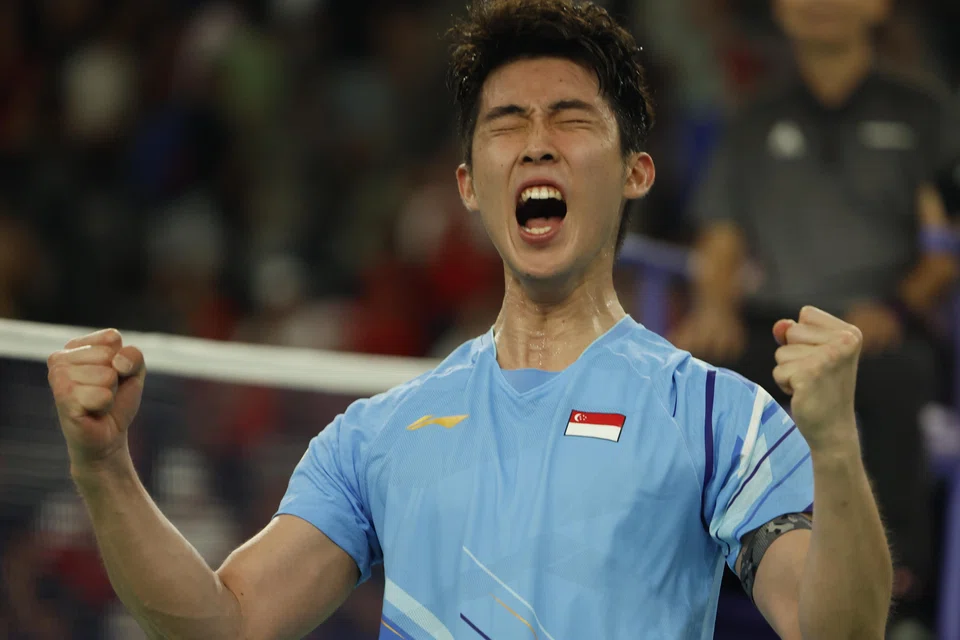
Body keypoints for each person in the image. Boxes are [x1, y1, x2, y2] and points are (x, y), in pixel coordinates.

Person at [45, 1, 893, 638]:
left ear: (636, 172)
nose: (536, 143)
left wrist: (838, 447)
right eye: (507, 123)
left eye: (570, 118)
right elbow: (222, 625)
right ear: (467, 184)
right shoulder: (377, 435)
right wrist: (104, 468)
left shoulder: (718, 417)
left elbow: (838, 632)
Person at [672, 0, 960, 614]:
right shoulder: (752, 117)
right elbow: (719, 240)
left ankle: (897, 593)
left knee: (894, 375)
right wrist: (713, 304)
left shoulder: (928, 112)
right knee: (704, 380)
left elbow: (944, 250)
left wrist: (898, 309)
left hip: (883, 325)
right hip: (773, 322)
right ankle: (714, 571)